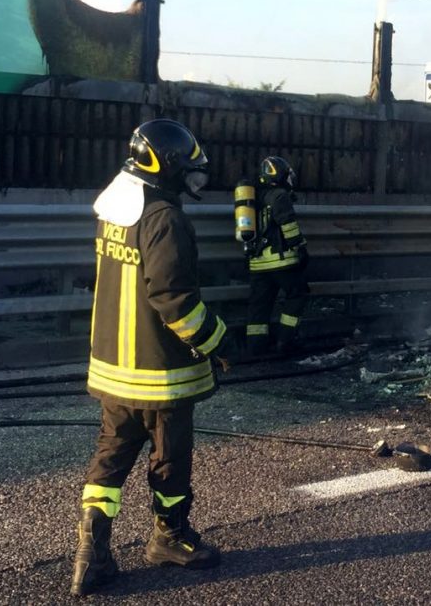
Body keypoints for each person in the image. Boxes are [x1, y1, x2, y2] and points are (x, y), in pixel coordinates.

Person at [71, 119, 229, 597]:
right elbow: (173, 298)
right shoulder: (165, 218)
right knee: (170, 459)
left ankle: (89, 555)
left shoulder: (118, 210)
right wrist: (218, 341)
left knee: (111, 456)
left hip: (115, 368)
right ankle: (171, 538)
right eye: (188, 170)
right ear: (167, 168)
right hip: (159, 372)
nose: (192, 180)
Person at [243, 156, 310, 356]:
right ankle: (285, 341)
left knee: (259, 305)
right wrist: (301, 248)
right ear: (281, 174)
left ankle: (255, 347)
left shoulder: (253, 197)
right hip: (281, 261)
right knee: (298, 294)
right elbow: (288, 225)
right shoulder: (280, 196)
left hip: (257, 263)